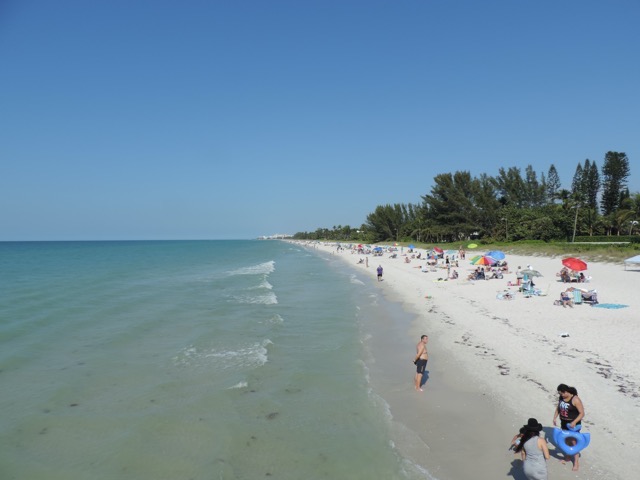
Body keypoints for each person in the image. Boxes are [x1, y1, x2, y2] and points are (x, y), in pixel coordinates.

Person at [553, 384, 585, 471]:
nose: (561, 395)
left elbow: (582, 413)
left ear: (567, 391)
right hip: (564, 422)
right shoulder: (561, 398)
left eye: (562, 393)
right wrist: (555, 417)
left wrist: (574, 422)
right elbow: (558, 408)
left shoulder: (575, 399)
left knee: (574, 442)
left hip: (573, 425)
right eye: (560, 393)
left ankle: (576, 462)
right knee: (566, 440)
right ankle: (567, 457)